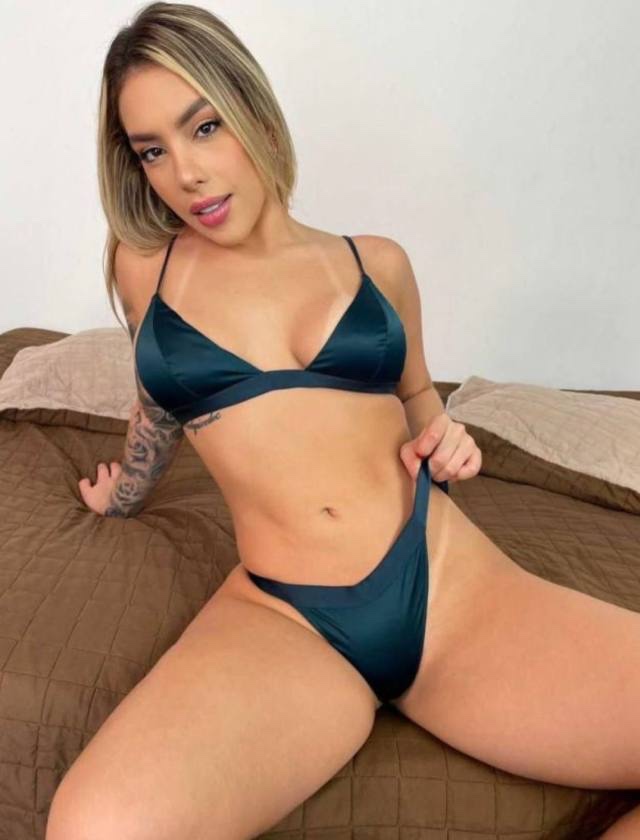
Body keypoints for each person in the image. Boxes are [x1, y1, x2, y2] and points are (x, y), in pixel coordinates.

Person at [46, 3, 640, 838]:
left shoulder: (376, 264)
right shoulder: (146, 265)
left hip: (449, 587)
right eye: (152, 150)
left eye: (204, 127)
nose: (186, 173)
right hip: (286, 618)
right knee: (94, 830)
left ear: (254, 111)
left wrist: (450, 443)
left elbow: (423, 404)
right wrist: (125, 493)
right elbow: (158, 402)